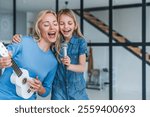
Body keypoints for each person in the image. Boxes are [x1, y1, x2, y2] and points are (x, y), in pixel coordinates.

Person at [11, 9, 89, 100]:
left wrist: (69, 66)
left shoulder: (80, 42)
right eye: (61, 23)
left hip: (77, 90)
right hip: (58, 91)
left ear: (75, 25)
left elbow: (82, 67)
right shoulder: (55, 42)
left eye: (70, 23)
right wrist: (19, 37)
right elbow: (39, 40)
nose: (66, 26)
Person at [0, 9, 60, 100]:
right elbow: (3, 56)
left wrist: (40, 88)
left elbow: (46, 91)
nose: (52, 27)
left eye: (55, 24)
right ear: (38, 28)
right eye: (46, 24)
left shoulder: (53, 62)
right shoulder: (22, 42)